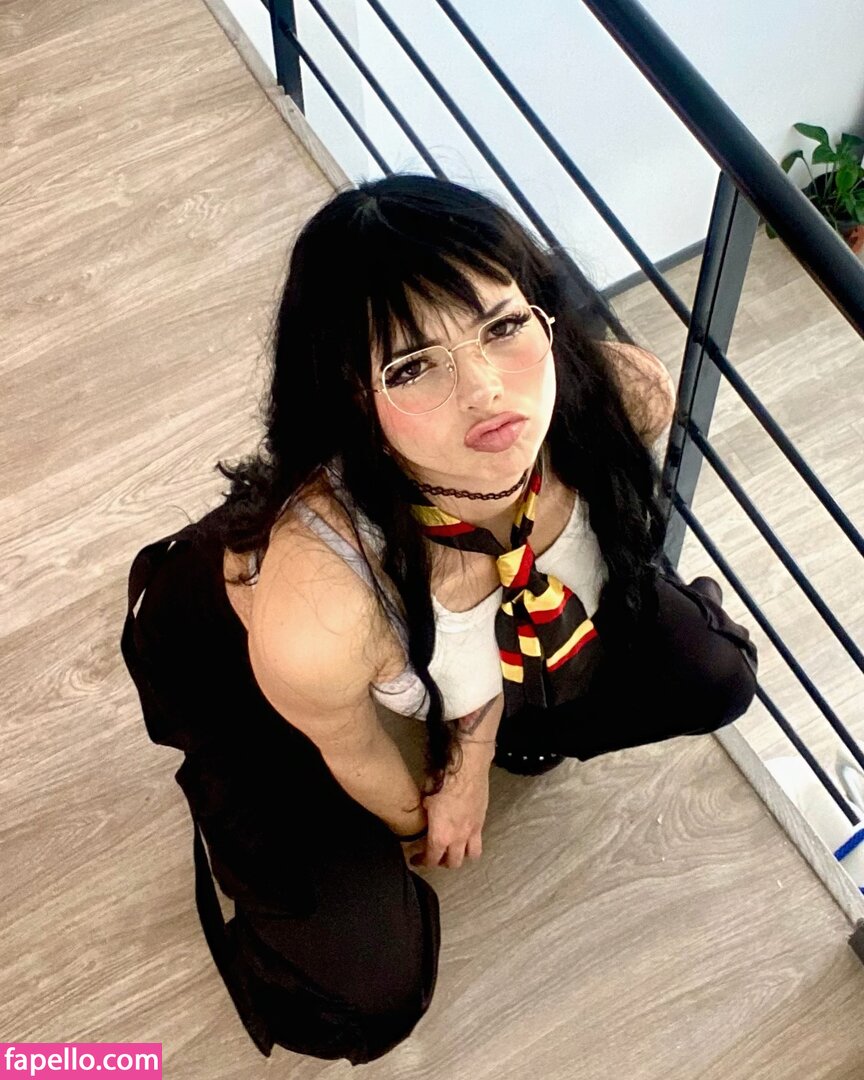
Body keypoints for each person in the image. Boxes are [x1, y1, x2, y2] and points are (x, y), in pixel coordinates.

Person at [120, 174, 758, 1066]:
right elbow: (364, 761)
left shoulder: (622, 398)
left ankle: (526, 727)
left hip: (425, 652)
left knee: (709, 670)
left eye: (502, 326)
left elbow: (522, 596)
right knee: (366, 982)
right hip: (244, 667)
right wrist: (443, 797)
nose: (488, 391)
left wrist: (481, 744)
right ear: (355, 395)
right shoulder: (320, 607)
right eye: (414, 365)